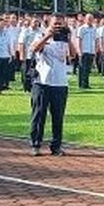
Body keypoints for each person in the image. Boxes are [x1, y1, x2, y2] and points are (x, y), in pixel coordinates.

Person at [29, 18, 72, 156]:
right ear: (48, 25)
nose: (58, 27)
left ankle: (56, 145)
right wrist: (48, 35)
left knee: (58, 116)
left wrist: (69, 39)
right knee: (39, 114)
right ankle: (36, 144)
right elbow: (35, 48)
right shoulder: (40, 36)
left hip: (60, 82)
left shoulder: (64, 39)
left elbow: (73, 54)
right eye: (55, 24)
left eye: (61, 24)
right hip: (42, 82)